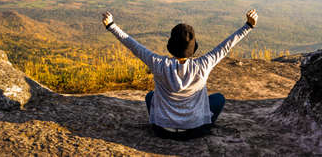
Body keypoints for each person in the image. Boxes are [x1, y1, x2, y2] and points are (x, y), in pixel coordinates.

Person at [102, 9, 258, 140]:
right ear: (193, 47)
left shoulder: (158, 63)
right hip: (195, 130)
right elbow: (226, 46)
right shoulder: (204, 64)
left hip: (162, 130)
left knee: (150, 96)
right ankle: (197, 123)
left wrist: (111, 25)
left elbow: (132, 44)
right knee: (219, 99)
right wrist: (248, 25)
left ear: (170, 45)